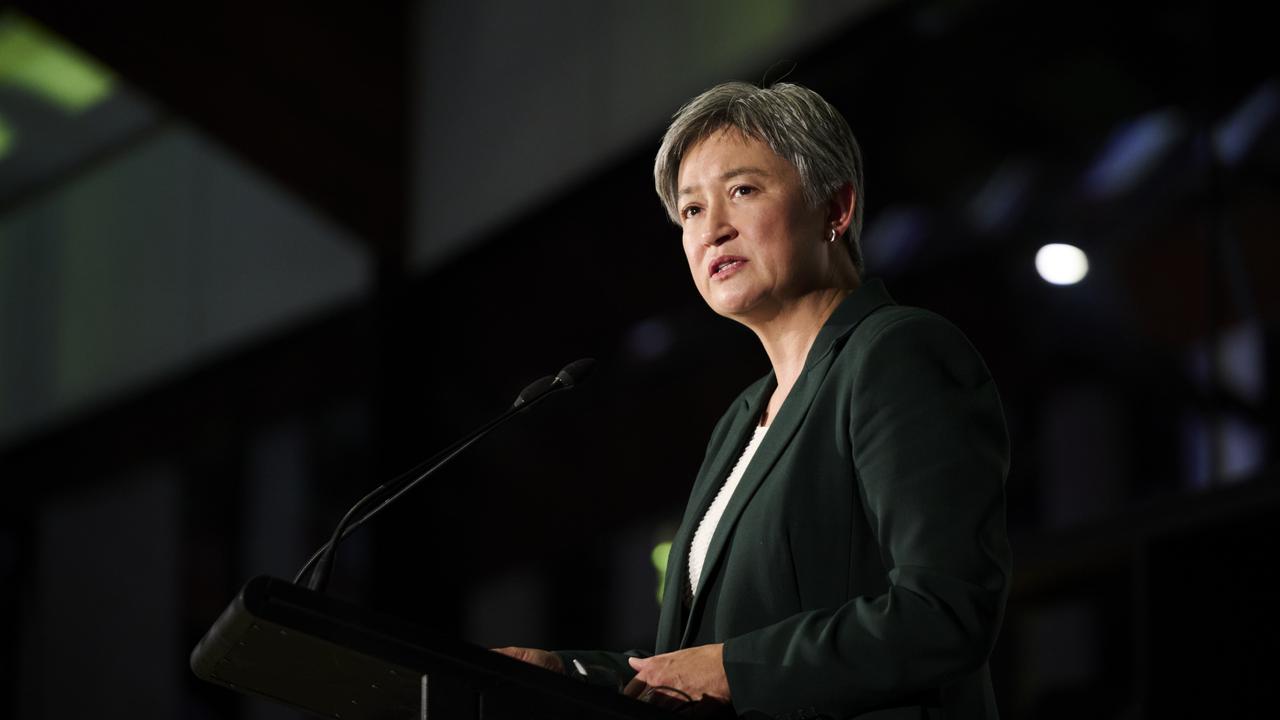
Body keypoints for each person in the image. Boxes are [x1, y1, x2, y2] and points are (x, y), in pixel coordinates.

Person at [497, 81, 1011, 720]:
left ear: (835, 208)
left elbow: (945, 612)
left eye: (742, 191)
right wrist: (571, 673)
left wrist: (733, 669)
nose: (711, 229)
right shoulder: (740, 421)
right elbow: (697, 659)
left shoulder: (895, 353)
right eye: (690, 211)